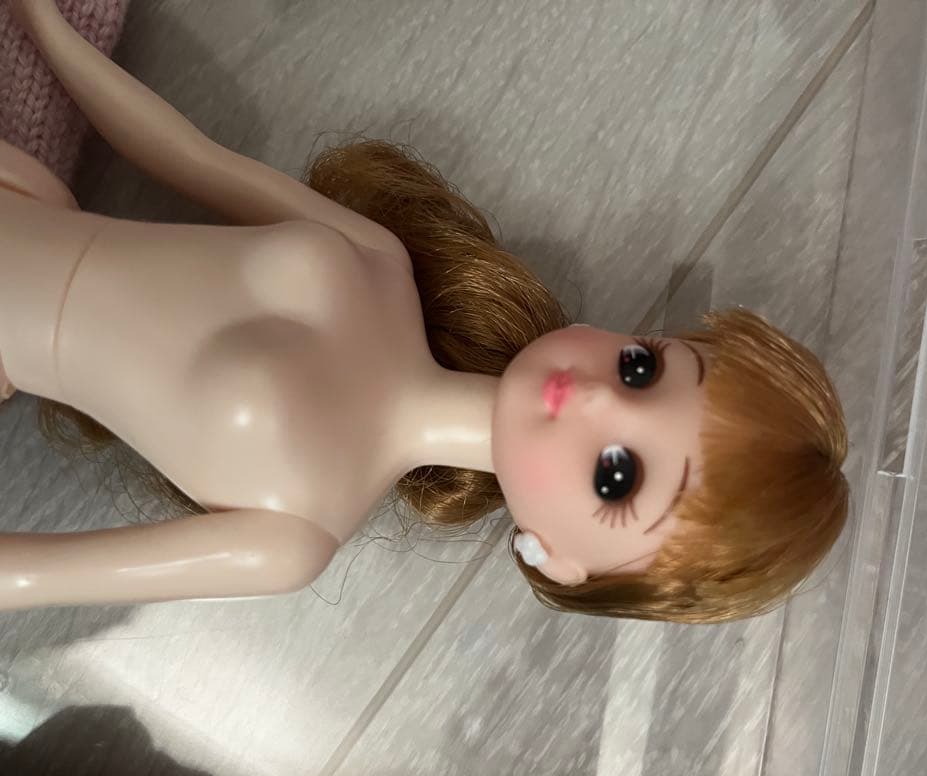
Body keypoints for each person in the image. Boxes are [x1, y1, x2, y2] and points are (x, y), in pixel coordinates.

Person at [0, 0, 849, 622]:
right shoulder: (381, 263)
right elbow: (187, 153)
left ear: (558, 562)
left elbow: (31, 575)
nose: (594, 396)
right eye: (642, 368)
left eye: (616, 476)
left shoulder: (294, 533)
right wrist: (50, 28)